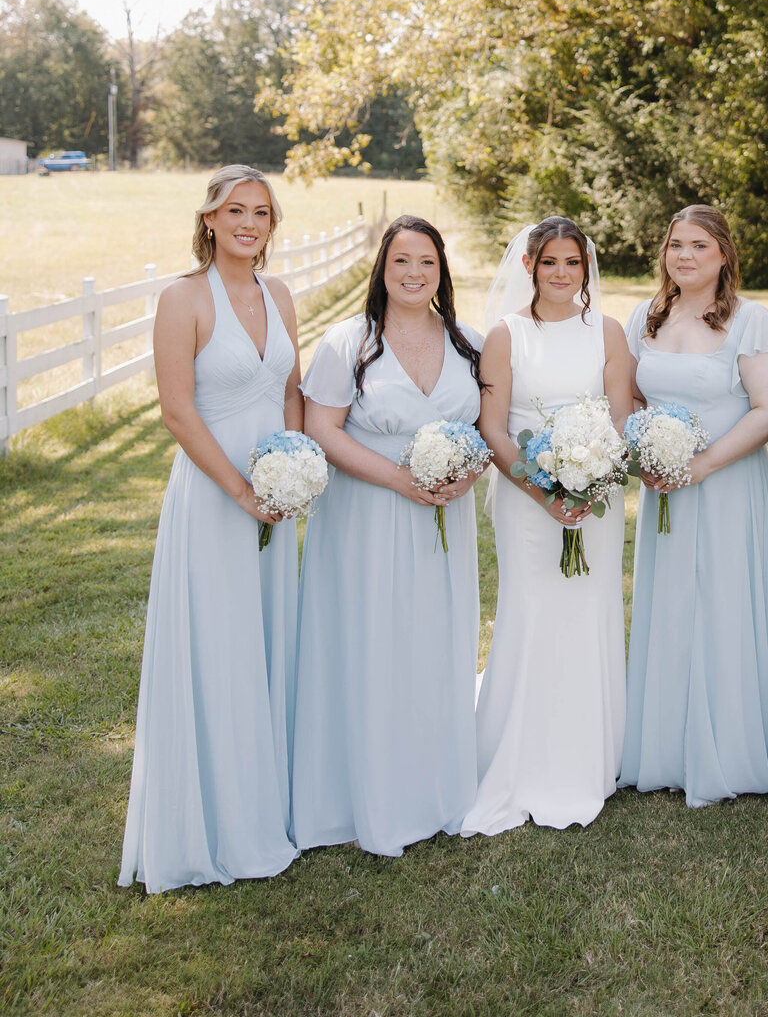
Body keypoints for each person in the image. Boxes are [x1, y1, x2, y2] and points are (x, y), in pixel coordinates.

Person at [120, 166, 302, 893]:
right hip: (215, 496)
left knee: (267, 638)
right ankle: (217, 820)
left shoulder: (279, 294)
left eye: (260, 212)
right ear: (209, 220)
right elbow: (176, 411)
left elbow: (289, 390)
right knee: (218, 644)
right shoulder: (183, 299)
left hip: (277, 498)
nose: (249, 223)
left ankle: (270, 802)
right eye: (235, 211)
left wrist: (294, 468)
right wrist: (240, 490)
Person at [292, 217, 485, 855]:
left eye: (426, 262)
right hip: (367, 514)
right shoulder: (349, 342)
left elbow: (487, 428)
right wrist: (399, 480)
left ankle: (432, 786)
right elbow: (322, 429)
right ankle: (362, 794)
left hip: (443, 518)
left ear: (441, 271)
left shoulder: (468, 343)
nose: (413, 273)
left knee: (432, 639)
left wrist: (465, 473)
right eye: (401, 260)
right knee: (370, 639)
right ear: (382, 268)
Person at [460, 216, 635, 836]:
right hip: (526, 498)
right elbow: (494, 428)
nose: (562, 274)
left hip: (596, 499)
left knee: (590, 611)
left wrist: (590, 479)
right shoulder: (506, 335)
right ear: (529, 265)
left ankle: (590, 754)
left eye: (573, 262)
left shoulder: (608, 332)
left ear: (586, 268)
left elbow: (618, 417)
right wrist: (544, 491)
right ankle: (522, 754)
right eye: (550, 262)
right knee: (532, 610)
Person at [621, 205, 768, 806]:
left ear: (724, 254)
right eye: (675, 245)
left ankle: (729, 745)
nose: (684, 256)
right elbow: (631, 395)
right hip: (662, 484)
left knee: (723, 602)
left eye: (699, 245)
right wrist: (648, 452)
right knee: (668, 600)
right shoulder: (644, 317)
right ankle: (661, 744)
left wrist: (702, 463)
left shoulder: (753, 322)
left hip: (725, 486)